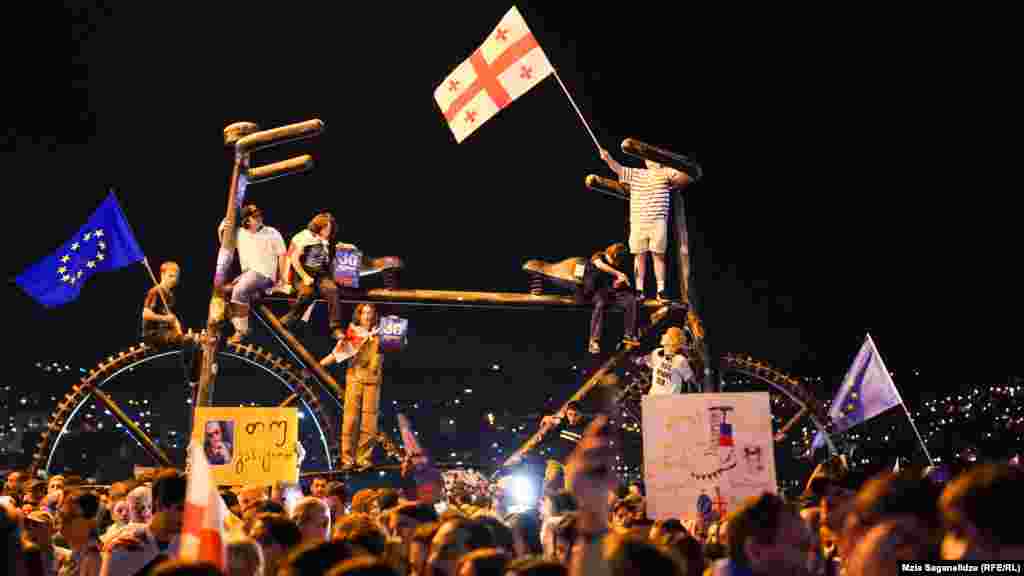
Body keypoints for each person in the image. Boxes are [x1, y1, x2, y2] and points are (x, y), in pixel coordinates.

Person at [599, 148, 692, 303]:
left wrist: (674, 162)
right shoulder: (637, 173)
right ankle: (639, 290)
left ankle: (661, 291)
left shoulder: (666, 172)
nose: (650, 161)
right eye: (648, 158)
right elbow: (618, 169)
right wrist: (607, 158)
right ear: (645, 160)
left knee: (658, 257)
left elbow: (685, 177)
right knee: (639, 257)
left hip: (657, 222)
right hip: (638, 222)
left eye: (654, 158)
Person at [321, 303, 383, 471]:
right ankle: (348, 459)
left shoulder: (381, 333)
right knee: (351, 419)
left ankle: (364, 459)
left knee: (369, 422)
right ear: (359, 315)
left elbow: (398, 343)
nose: (368, 316)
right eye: (364, 313)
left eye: (370, 313)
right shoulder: (355, 333)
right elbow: (337, 354)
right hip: (355, 377)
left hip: (373, 379)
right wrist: (319, 365)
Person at [217, 204, 289, 344]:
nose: (259, 218)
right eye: (255, 217)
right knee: (222, 292)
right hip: (248, 275)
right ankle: (238, 324)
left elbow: (282, 255)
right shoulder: (240, 233)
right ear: (246, 221)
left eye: (259, 216)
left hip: (265, 274)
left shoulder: (271, 232)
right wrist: (220, 231)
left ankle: (241, 331)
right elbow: (226, 247)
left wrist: (282, 279)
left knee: (240, 289)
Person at [282, 212, 351, 339]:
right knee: (307, 293)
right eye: (326, 228)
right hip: (303, 273)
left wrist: (343, 247)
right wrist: (304, 277)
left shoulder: (326, 239)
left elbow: (330, 255)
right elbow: (293, 259)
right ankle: (289, 320)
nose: (328, 231)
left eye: (330, 228)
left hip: (320, 275)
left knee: (332, 290)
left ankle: (335, 328)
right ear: (319, 226)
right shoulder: (304, 236)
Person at [576, 243, 638, 354]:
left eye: (617, 262)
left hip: (608, 292)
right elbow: (599, 265)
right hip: (592, 291)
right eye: (613, 260)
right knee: (601, 302)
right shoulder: (599, 256)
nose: (614, 263)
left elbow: (612, 284)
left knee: (630, 299)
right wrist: (619, 273)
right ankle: (594, 340)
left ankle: (628, 334)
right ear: (610, 253)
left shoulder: (618, 263)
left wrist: (617, 284)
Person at [638, 326, 695, 394]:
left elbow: (692, 380)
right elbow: (642, 361)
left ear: (672, 341)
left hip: (669, 400)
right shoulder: (656, 352)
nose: (663, 335)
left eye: (666, 334)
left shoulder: (680, 360)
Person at [141, 262, 183, 347]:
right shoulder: (156, 291)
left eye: (176, 277)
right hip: (152, 334)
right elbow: (146, 314)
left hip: (164, 331)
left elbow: (172, 317)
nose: (173, 279)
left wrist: (179, 331)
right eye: (170, 276)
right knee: (180, 341)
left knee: (185, 338)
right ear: (162, 275)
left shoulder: (170, 295)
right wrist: (165, 319)